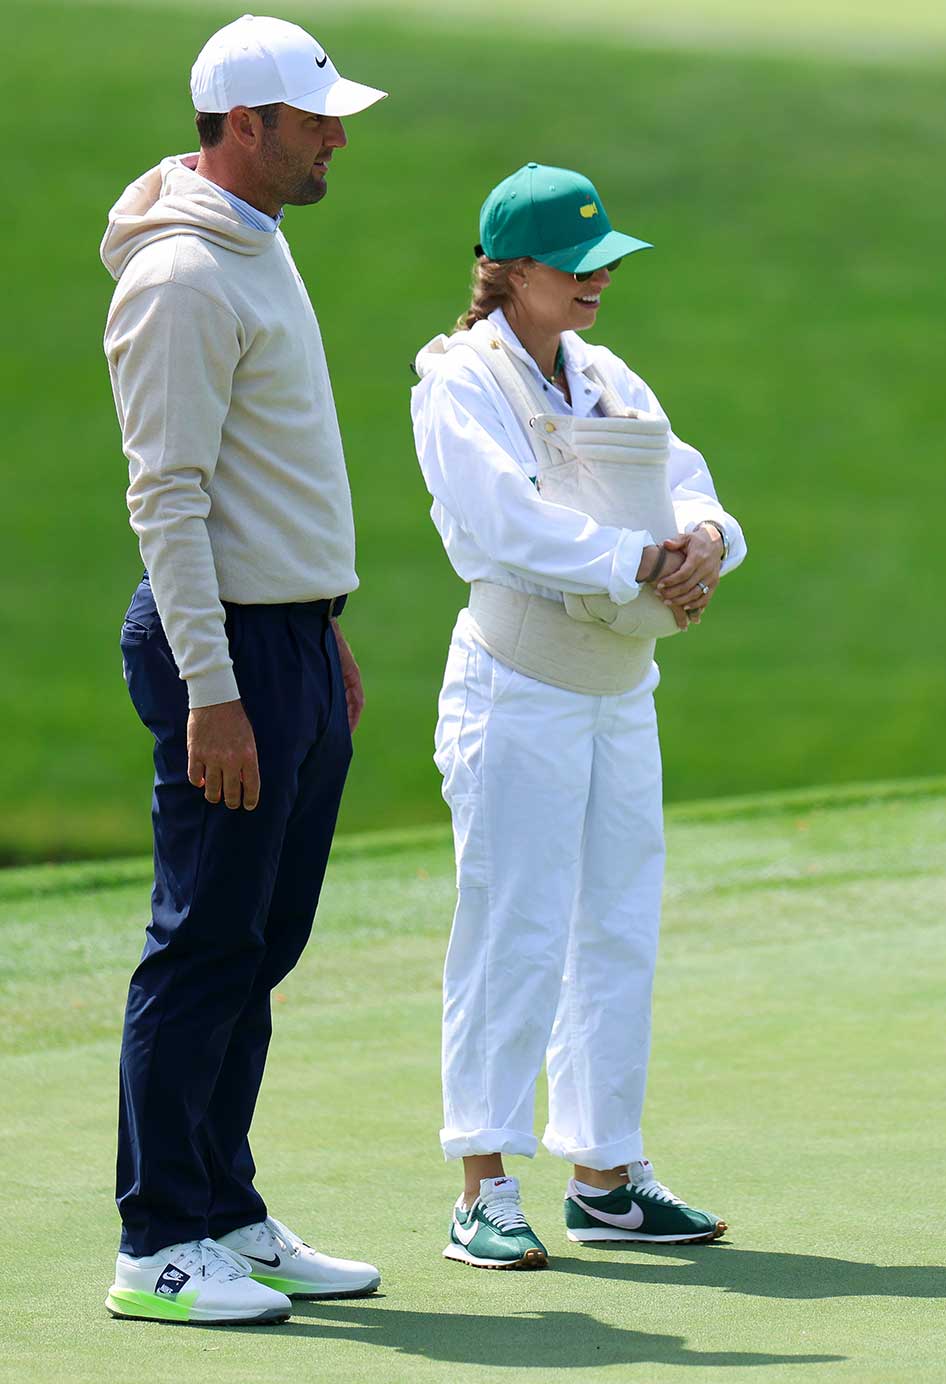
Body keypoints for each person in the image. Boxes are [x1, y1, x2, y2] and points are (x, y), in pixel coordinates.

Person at [99, 15, 387, 1325]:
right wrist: (217, 690)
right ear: (244, 126)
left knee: (262, 941)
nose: (337, 139)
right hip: (220, 650)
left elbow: (268, 482)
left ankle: (226, 1208)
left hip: (288, 641)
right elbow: (167, 500)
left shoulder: (259, 245)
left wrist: (319, 635)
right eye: (316, 120)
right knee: (204, 942)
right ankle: (157, 1242)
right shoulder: (180, 280)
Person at [410, 163, 746, 1270]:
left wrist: (701, 542)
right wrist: (638, 560)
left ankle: (605, 1174)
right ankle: (483, 1184)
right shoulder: (458, 380)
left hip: (619, 689)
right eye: (574, 262)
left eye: (605, 260)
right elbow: (500, 522)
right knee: (513, 925)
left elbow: (685, 478)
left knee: (614, 924)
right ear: (507, 270)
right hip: (517, 685)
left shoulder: (603, 374)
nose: (597, 278)